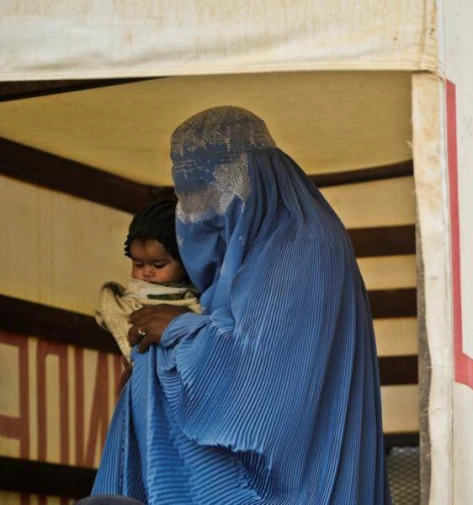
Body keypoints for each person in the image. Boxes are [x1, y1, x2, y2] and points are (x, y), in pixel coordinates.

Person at [91, 106, 391, 504]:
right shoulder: (263, 240)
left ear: (245, 176)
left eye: (206, 190)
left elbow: (261, 374)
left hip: (296, 481)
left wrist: (177, 331)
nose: (197, 209)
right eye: (187, 193)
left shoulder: (300, 244)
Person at [95, 198, 201, 369]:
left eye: (158, 265)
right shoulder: (127, 302)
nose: (147, 272)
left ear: (185, 260)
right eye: (138, 264)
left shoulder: (204, 295)